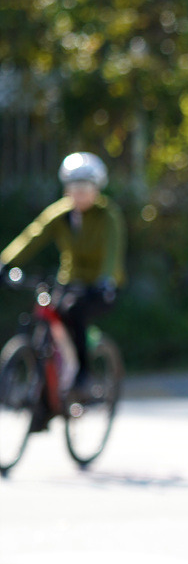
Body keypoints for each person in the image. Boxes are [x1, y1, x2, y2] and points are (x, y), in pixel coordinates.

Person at [1, 153, 126, 396]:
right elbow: (32, 237)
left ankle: (84, 375)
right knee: (47, 310)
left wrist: (106, 280)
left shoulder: (108, 216)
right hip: (69, 281)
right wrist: (4, 262)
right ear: (66, 189)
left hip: (101, 285)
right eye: (74, 189)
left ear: (96, 190)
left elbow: (113, 252)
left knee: (74, 311)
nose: (79, 195)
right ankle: (46, 390)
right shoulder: (60, 214)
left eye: (85, 189)